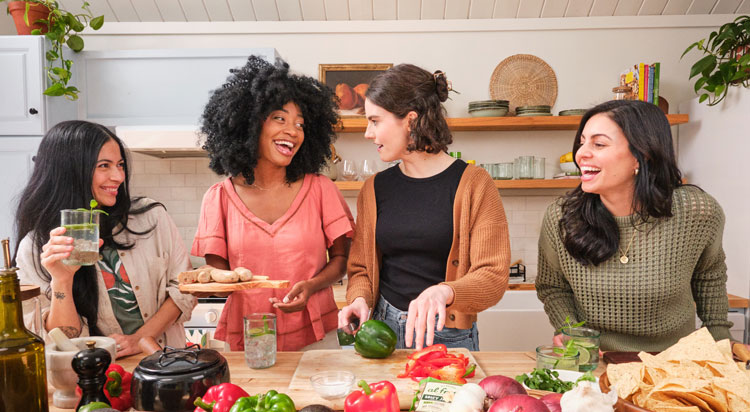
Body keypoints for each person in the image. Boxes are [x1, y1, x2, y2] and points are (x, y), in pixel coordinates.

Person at [536, 99, 745, 352]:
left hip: (675, 362)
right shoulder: (562, 217)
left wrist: (720, 344)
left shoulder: (696, 212)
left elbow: (709, 276)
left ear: (642, 154)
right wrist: (572, 333)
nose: (581, 154)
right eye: (582, 142)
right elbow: (553, 287)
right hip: (596, 360)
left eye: (599, 144)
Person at [338, 64, 510, 351]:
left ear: (410, 120)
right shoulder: (373, 188)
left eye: (375, 121)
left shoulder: (475, 185)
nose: (368, 133)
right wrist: (358, 300)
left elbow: (492, 277)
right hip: (381, 331)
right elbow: (361, 270)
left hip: (446, 336)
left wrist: (445, 292)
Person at [193, 56, 354, 351]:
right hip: (250, 337)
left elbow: (341, 261)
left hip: (316, 336)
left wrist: (311, 286)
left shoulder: (321, 189)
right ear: (250, 124)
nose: (293, 131)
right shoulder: (219, 197)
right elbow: (219, 275)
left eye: (300, 124)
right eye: (280, 118)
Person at [14, 120, 196, 357]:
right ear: (70, 170)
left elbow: (184, 289)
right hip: (94, 376)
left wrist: (139, 339)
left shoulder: (151, 218)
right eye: (104, 166)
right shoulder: (35, 247)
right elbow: (62, 339)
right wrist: (62, 280)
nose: (118, 176)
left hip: (165, 366)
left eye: (120, 165)